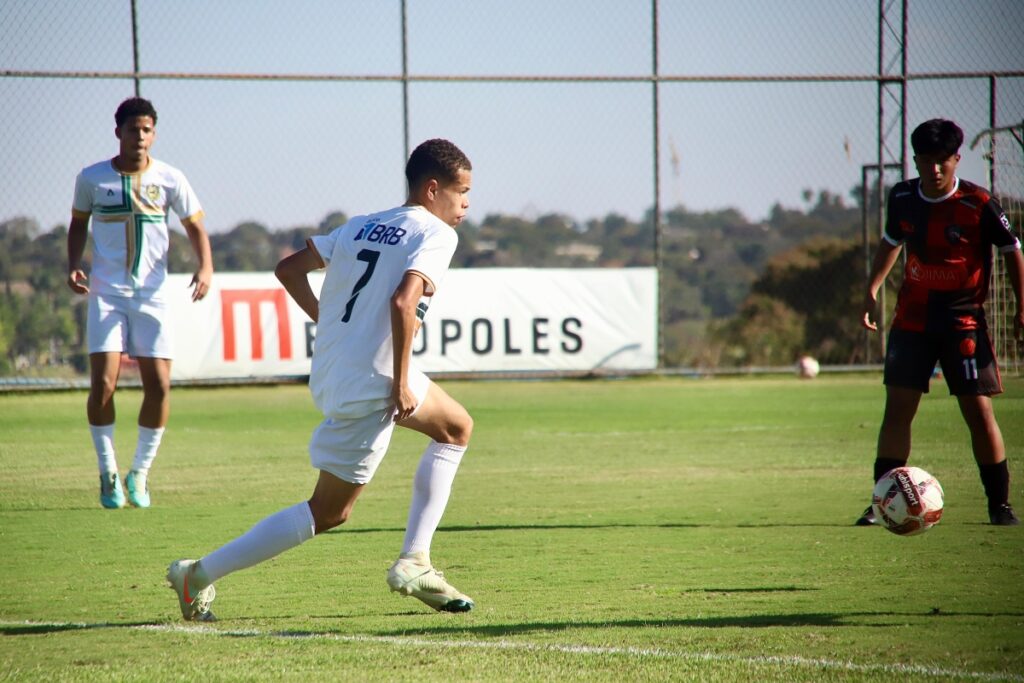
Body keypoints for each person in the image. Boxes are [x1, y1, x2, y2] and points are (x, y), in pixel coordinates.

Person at [166, 138, 475, 621]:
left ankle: (416, 561)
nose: (466, 205)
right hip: (373, 378)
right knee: (328, 512)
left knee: (456, 428)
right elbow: (402, 302)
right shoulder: (437, 233)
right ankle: (197, 574)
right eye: (462, 192)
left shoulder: (362, 224)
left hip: (339, 367)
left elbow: (288, 269)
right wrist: (399, 383)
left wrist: (330, 324)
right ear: (433, 190)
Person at [857, 118, 1024, 527]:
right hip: (912, 321)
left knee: (978, 410)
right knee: (897, 410)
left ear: (956, 160)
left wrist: (1023, 307)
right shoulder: (903, 198)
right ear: (915, 160)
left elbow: (1012, 249)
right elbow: (891, 242)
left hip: (963, 322)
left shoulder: (978, 203)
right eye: (925, 161)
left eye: (941, 161)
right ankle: (882, 503)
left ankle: (999, 505)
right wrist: (872, 288)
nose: (933, 170)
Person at [67, 97, 213, 510]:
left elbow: (196, 226)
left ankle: (140, 473)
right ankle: (108, 471)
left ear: (154, 134)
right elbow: (77, 224)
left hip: (153, 295)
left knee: (160, 386)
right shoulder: (93, 178)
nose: (140, 137)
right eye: (133, 129)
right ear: (119, 132)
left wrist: (205, 268)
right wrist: (73, 265)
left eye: (147, 130)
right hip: (106, 293)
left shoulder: (170, 178)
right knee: (104, 384)